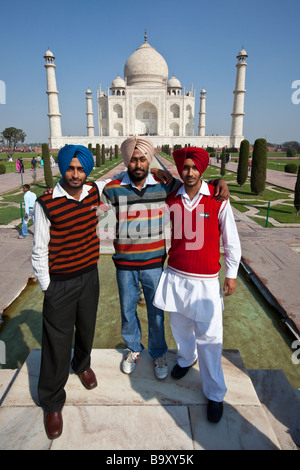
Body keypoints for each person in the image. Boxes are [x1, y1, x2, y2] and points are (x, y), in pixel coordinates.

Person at [99, 137, 230, 381]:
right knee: (128, 310)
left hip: (154, 263)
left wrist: (217, 181)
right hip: (124, 264)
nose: (138, 164)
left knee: (156, 312)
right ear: (127, 162)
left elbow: (192, 183)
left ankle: (158, 352)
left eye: (143, 159)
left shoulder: (164, 185)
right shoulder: (113, 187)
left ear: (149, 161)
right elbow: (91, 194)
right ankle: (133, 349)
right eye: (134, 160)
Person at [31, 144, 123, 440]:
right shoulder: (47, 202)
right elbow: (39, 250)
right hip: (60, 282)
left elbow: (125, 176)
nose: (75, 174)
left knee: (86, 328)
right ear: (62, 169)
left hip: (89, 275)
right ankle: (52, 401)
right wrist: (48, 287)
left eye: (80, 169)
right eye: (70, 168)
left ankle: (82, 364)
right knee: (56, 342)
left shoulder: (94, 191)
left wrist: (214, 183)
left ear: (87, 170)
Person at [153, 147, 241, 423]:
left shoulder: (217, 199)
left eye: (194, 167)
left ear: (201, 169)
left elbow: (231, 239)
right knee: (179, 327)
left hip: (205, 282)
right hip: (177, 275)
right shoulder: (172, 197)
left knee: (211, 338)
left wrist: (231, 273)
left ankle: (215, 393)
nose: (189, 172)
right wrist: (158, 172)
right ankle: (185, 359)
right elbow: (146, 175)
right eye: (185, 168)